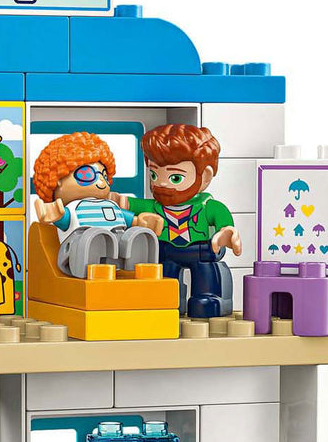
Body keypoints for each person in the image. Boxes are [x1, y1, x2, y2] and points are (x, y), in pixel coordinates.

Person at [124, 124, 242, 319]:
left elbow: (222, 219)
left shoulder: (207, 206)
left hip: (200, 251)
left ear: (205, 176)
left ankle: (207, 297)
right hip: (167, 251)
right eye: (154, 174)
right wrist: (110, 198)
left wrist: (226, 232)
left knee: (205, 272)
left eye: (176, 177)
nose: (162, 183)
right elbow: (129, 203)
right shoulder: (154, 206)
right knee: (165, 284)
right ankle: (167, 301)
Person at [32, 131, 164, 277]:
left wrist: (140, 222)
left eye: (104, 175)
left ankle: (140, 268)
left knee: (136, 235)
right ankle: (95, 268)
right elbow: (64, 220)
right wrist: (56, 216)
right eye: (87, 175)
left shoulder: (110, 205)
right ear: (57, 180)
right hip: (79, 250)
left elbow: (125, 219)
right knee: (94, 237)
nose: (101, 181)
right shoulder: (74, 208)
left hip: (116, 246)